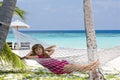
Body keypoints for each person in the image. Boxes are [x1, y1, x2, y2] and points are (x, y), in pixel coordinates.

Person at [22, 44, 99, 74]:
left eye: (39, 49)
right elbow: (27, 56)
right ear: (34, 52)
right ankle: (92, 66)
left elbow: (52, 50)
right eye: (36, 50)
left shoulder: (46, 55)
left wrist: (44, 49)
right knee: (75, 66)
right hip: (57, 67)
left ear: (42, 50)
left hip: (59, 63)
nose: (38, 51)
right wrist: (31, 51)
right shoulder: (38, 57)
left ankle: (91, 67)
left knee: (75, 67)